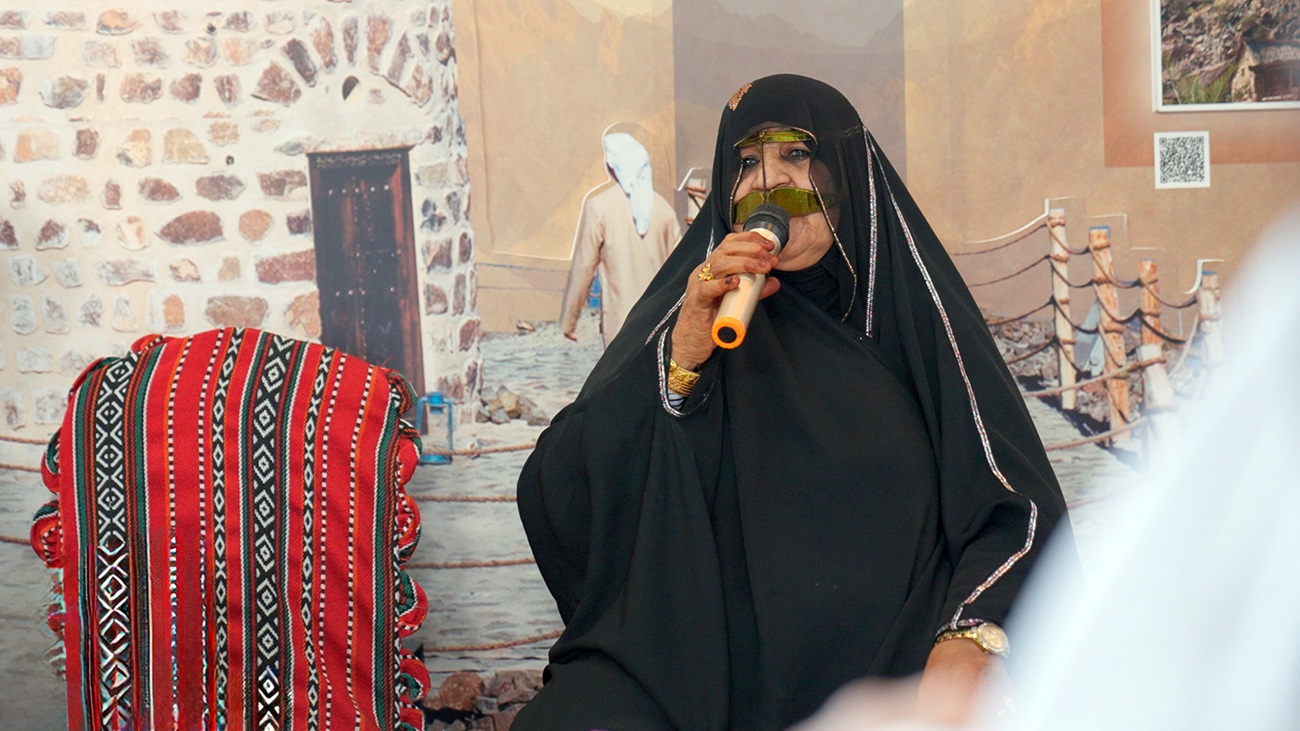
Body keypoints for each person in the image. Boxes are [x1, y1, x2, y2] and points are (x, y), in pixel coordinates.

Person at [515, 74, 1072, 731]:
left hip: (886, 669)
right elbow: (562, 485)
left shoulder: (913, 316)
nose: (766, 183)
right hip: (701, 666)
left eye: (796, 155)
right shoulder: (700, 310)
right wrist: (681, 363)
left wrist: (969, 634)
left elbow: (1015, 504)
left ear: (847, 171)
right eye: (746, 162)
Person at [559, 132, 681, 347]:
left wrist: (569, 322)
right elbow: (680, 270)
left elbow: (584, 267)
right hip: (660, 323)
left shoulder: (600, 207)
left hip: (620, 326)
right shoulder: (664, 210)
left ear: (611, 167)